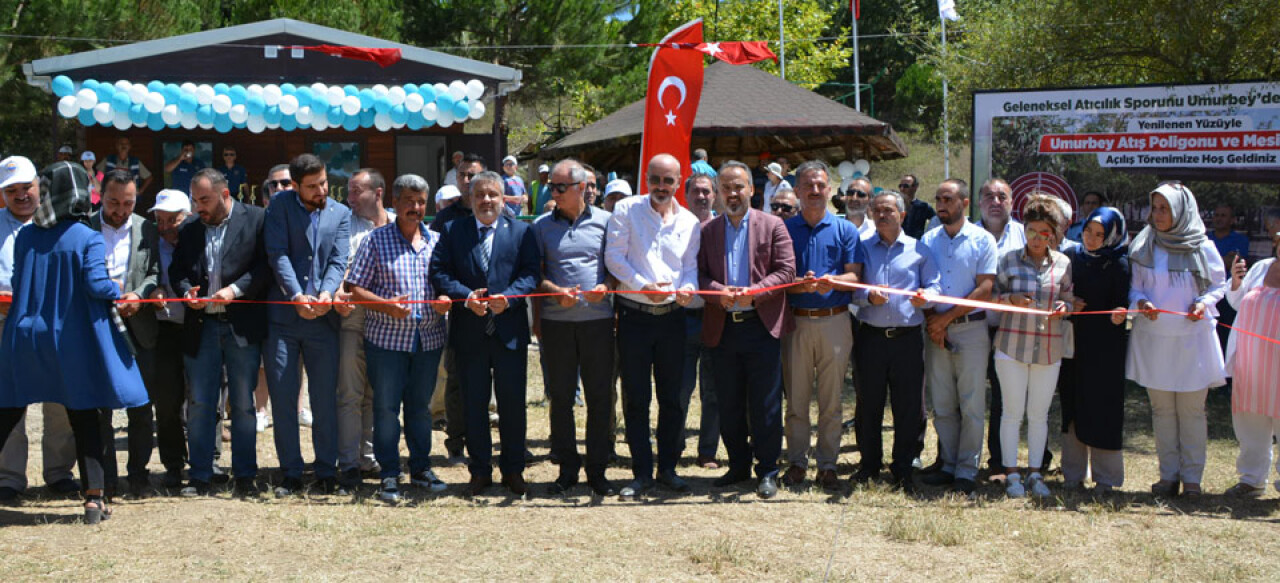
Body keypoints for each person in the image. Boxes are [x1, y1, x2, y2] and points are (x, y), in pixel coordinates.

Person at [0, 160, 149, 524]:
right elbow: (97, 286)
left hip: (23, 334)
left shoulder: (27, 236)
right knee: (85, 416)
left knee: (6, 413)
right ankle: (94, 500)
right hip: (69, 340)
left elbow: (19, 283)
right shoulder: (87, 236)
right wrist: (116, 288)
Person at [430, 171, 540, 497]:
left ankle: (513, 470)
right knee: (473, 407)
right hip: (470, 333)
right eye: (480, 195)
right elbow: (439, 272)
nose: (487, 200)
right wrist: (466, 297)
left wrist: (512, 298)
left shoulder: (522, 232)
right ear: (470, 198)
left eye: (493, 194)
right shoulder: (452, 231)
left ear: (504, 198)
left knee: (512, 406)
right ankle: (479, 471)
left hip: (509, 333)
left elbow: (531, 273)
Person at [605, 153, 701, 500]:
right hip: (634, 316)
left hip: (674, 319)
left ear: (679, 182)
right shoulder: (627, 210)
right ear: (646, 179)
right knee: (637, 399)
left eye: (668, 181)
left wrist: (688, 288)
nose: (661, 187)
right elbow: (613, 257)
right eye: (655, 180)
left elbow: (689, 267)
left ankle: (668, 469)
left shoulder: (690, 221)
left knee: (673, 398)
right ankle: (642, 472)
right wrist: (640, 284)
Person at [347, 174, 449, 503]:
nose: (415, 208)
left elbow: (446, 281)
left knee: (420, 409)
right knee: (386, 409)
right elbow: (355, 288)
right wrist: (385, 306)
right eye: (409, 201)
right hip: (387, 342)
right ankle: (389, 473)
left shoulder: (436, 241)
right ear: (395, 201)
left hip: (428, 340)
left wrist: (444, 298)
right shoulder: (376, 241)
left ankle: (420, 469)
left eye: (421, 202)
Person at [698, 161, 795, 499]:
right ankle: (738, 464)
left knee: (766, 404)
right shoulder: (708, 230)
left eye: (738, 186)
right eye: (726, 187)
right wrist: (716, 290)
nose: (733, 193)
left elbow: (786, 271)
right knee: (729, 402)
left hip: (761, 326)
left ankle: (768, 470)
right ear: (718, 193)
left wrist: (757, 291)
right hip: (723, 327)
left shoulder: (773, 225)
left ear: (752, 190)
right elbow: (698, 276)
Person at [170, 168, 270, 497]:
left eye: (204, 200)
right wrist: (187, 292)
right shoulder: (189, 229)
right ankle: (200, 474)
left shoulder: (256, 219)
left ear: (225, 195)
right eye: (195, 200)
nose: (198, 206)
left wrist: (236, 290)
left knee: (242, 404)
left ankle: (244, 475)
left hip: (241, 325)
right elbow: (178, 271)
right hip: (202, 326)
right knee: (199, 403)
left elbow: (263, 267)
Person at [1128, 182, 1227, 497]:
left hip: (1192, 340)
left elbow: (1218, 286)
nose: (1157, 215)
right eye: (1154, 208)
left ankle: (1193, 479)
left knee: (1192, 411)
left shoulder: (1203, 246)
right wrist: (1142, 303)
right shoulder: (1145, 244)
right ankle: (1168, 476)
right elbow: (1135, 288)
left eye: (1164, 208)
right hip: (1155, 339)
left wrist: (1203, 303)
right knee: (1162, 411)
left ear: (1182, 211)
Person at [263, 154, 354, 497]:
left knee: (324, 400)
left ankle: (326, 471)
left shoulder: (340, 213)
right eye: (313, 186)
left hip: (323, 320)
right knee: (284, 399)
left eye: (324, 183)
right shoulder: (279, 207)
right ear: (296, 185)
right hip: (284, 319)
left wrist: (327, 293)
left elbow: (338, 258)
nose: (321, 191)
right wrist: (297, 295)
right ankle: (291, 472)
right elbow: (278, 254)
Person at [531, 159, 617, 497]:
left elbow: (615, 268)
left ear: (582, 188)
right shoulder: (540, 227)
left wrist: (607, 287)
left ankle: (598, 470)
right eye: (552, 186)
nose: (553, 192)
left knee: (599, 398)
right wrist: (553, 292)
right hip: (557, 325)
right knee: (561, 398)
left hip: (598, 324)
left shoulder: (608, 223)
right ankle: (567, 469)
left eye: (560, 187)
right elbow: (533, 274)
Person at [782, 160, 865, 491]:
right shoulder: (785, 230)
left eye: (821, 185)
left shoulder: (846, 230)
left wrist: (832, 281)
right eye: (808, 186)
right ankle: (797, 462)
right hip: (797, 322)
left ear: (830, 189)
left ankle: (828, 464)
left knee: (832, 399)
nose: (815, 191)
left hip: (835, 320)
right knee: (797, 399)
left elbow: (855, 276)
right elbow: (778, 279)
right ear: (798, 191)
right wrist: (798, 284)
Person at [0, 156, 79, 503]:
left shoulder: (61, 224)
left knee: (59, 399)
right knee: (8, 400)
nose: (21, 196)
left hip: (53, 323)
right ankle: (9, 477)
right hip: (4, 323)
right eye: (11, 190)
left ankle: (60, 472)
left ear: (40, 187)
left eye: (26, 188)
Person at [850, 190, 940, 493]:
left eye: (888, 210)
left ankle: (903, 468)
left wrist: (926, 297)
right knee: (868, 404)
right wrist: (867, 296)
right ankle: (869, 465)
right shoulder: (861, 249)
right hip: (870, 338)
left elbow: (935, 286)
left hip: (907, 340)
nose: (882, 215)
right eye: (877, 210)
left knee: (909, 406)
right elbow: (852, 290)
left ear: (902, 215)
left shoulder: (920, 250)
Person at [918, 179, 998, 495]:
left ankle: (967, 470)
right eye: (938, 198)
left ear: (964, 203)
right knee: (943, 403)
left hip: (971, 329)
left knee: (972, 403)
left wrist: (945, 320)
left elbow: (985, 289)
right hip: (935, 332)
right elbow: (919, 284)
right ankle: (948, 464)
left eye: (948, 198)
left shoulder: (982, 240)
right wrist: (932, 324)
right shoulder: (926, 240)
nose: (941, 204)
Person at [992, 194, 1073, 499]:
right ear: (1023, 230)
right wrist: (1009, 300)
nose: (1038, 239)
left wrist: (1066, 307)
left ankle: (1036, 474)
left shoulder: (1064, 263)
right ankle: (1012, 474)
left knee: (1039, 415)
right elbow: (991, 298)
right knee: (1012, 413)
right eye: (1032, 232)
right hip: (1011, 347)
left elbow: (1069, 298)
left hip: (1049, 349)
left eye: (1045, 233)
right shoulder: (1008, 260)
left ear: (1053, 234)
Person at [91, 170, 163, 498]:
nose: (120, 210)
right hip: (97, 329)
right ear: (101, 196)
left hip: (139, 329)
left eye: (128, 203)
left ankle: (138, 476)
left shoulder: (145, 227)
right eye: (113, 202)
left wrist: (139, 295)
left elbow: (154, 272)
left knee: (140, 406)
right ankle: (105, 479)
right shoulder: (85, 227)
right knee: (100, 409)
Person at [1061, 207, 1130, 493]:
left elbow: (1124, 301)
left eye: (1099, 234)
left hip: (1107, 348)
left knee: (1104, 408)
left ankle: (1106, 478)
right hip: (1074, 343)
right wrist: (1069, 300)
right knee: (1072, 406)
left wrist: (1120, 312)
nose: (1091, 238)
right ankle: (1072, 474)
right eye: (1088, 231)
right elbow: (1060, 290)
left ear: (1112, 236)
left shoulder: (1120, 264)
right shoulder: (1071, 257)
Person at [335, 169, 393, 484]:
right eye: (349, 191)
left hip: (388, 324)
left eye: (357, 191)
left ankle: (369, 458)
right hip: (353, 320)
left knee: (378, 395)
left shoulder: (399, 224)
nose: (350, 198)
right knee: (350, 394)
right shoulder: (345, 225)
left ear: (379, 192)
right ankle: (347, 462)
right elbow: (338, 268)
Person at [428, 152, 485, 464]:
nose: (467, 180)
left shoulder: (499, 211)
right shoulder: (446, 218)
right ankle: (456, 441)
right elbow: (435, 265)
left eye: (472, 174)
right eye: (462, 175)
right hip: (457, 310)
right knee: (455, 378)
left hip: (492, 311)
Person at [977, 178, 1033, 478]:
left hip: (1013, 331)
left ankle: (999, 461)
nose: (995, 202)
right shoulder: (968, 234)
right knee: (970, 398)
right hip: (973, 327)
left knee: (1006, 399)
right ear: (978, 202)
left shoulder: (1025, 236)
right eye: (989, 196)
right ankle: (960, 460)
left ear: (1012, 203)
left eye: (1002, 196)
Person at [1223, 230, 1280, 497]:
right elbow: (1237, 302)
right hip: (1251, 361)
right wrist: (1235, 282)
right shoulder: (1261, 267)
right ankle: (1252, 479)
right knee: (1249, 422)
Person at [146, 188, 193, 489]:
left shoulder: (199, 240)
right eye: (160, 221)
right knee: (166, 402)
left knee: (204, 399)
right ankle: (173, 463)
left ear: (187, 217)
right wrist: (154, 290)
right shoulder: (150, 244)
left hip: (198, 326)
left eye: (172, 221)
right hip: (163, 330)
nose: (165, 228)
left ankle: (206, 461)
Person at [680, 173, 722, 470]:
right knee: (679, 389)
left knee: (713, 390)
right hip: (680, 319)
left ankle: (707, 450)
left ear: (715, 195)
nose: (702, 196)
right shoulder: (674, 224)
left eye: (707, 191)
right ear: (686, 194)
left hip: (713, 316)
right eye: (696, 191)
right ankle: (674, 445)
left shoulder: (723, 228)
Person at [1209, 203, 1252, 369]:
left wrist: (1212, 260)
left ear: (1232, 220)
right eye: (1217, 215)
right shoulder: (1205, 238)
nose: (1219, 219)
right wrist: (1223, 259)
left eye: (1223, 215)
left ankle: (1225, 375)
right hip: (1207, 293)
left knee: (1226, 333)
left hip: (1229, 295)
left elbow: (1232, 262)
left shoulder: (1240, 240)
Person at [899, 175, 935, 239]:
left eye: (906, 186)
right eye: (900, 186)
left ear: (915, 187)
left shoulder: (923, 207)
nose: (902, 189)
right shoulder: (895, 205)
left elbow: (937, 220)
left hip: (916, 245)